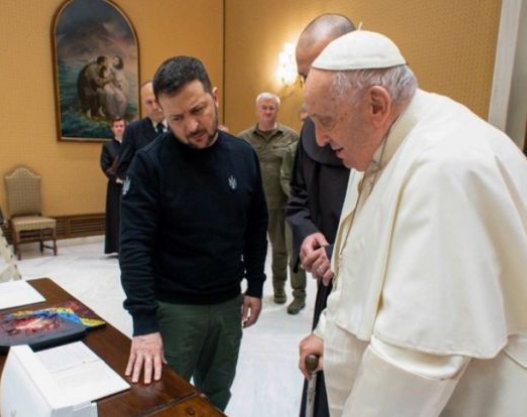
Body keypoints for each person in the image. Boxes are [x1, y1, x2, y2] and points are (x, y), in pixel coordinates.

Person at [298, 30, 527, 416]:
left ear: (376, 104)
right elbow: (356, 263)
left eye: (327, 121)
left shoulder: (445, 167)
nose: (319, 139)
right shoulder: (377, 143)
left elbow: (418, 359)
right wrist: (329, 336)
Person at [119, 56, 268, 410]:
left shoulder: (243, 156)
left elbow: (256, 225)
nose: (191, 125)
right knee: (165, 401)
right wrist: (144, 324)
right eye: (177, 119)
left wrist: (257, 285)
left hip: (228, 305)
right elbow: (133, 246)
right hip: (174, 309)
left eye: (198, 109)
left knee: (216, 397)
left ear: (214, 96)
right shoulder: (149, 164)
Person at [286, 13, 355, 417]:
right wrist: (308, 236)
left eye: (314, 73)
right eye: (301, 76)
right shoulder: (312, 133)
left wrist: (341, 253)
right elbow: (297, 200)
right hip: (328, 288)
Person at [238, 92, 305, 313]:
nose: (268, 111)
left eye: (272, 108)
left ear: (277, 110)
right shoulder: (243, 139)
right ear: (257, 110)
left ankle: (288, 292)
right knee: (247, 250)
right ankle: (241, 290)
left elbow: (300, 171)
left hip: (284, 205)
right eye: (264, 107)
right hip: (253, 207)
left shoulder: (291, 137)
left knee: (286, 251)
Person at [116, 81, 166, 181]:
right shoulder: (133, 130)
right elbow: (122, 168)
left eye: (157, 101)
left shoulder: (180, 126)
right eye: (149, 102)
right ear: (143, 104)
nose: (155, 107)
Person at [100, 117, 125, 255]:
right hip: (115, 187)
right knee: (116, 216)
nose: (119, 128)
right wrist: (117, 179)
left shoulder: (130, 144)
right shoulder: (107, 146)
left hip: (131, 185)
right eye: (116, 126)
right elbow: (104, 166)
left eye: (122, 125)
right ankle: (117, 247)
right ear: (112, 129)